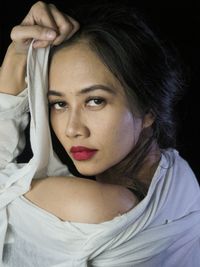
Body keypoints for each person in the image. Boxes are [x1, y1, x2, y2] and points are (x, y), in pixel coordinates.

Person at [0, 1, 200, 266]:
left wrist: (15, 59)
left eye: (95, 101)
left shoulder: (98, 206)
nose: (73, 129)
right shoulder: (179, 175)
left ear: (148, 109)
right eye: (59, 104)